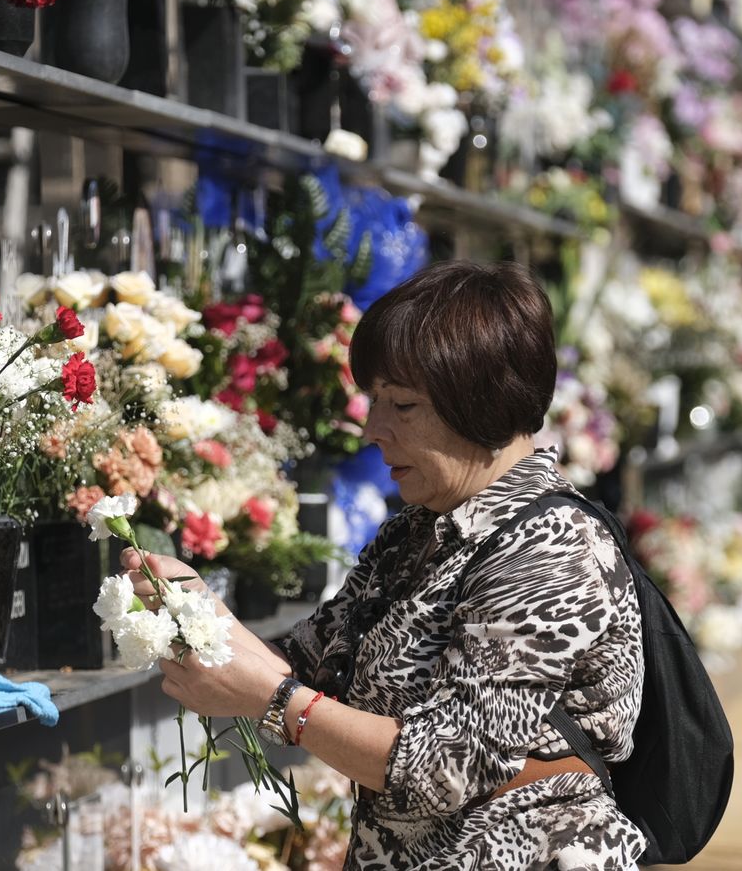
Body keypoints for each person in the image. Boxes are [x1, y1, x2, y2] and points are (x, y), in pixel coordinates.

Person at [123, 260, 646, 869]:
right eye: (374, 401)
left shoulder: (553, 547)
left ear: (482, 403)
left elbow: (446, 766)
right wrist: (203, 620)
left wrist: (269, 698)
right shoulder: (413, 534)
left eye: (401, 405)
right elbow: (315, 664)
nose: (372, 430)